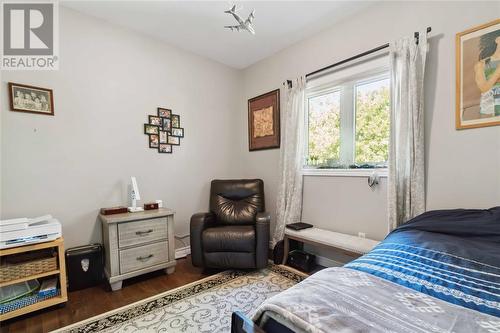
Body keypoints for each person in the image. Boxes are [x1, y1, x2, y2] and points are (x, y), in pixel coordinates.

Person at [474, 29, 500, 116]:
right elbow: (483, 88)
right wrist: (497, 73)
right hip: (489, 111)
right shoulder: (482, 64)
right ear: (497, 39)